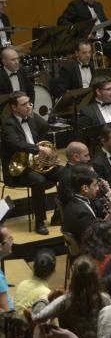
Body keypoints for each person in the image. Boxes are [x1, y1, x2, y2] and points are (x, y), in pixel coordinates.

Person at [2, 91, 59, 233]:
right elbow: (16, 144)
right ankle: (40, 222)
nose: (28, 106)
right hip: (19, 169)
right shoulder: (8, 125)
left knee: (66, 173)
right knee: (39, 181)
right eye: (24, 104)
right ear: (13, 108)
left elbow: (46, 126)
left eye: (29, 103)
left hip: (37, 164)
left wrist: (33, 115)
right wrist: (39, 148)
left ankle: (58, 215)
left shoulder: (31, 118)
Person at [31, 256, 110, 338]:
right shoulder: (105, 299)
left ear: (74, 278)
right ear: (95, 277)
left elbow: (37, 317)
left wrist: (43, 298)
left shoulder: (65, 301)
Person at [13, 248, 57, 313]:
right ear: (53, 271)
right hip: (28, 323)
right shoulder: (47, 294)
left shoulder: (22, 283)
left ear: (34, 267)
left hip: (15, 322)